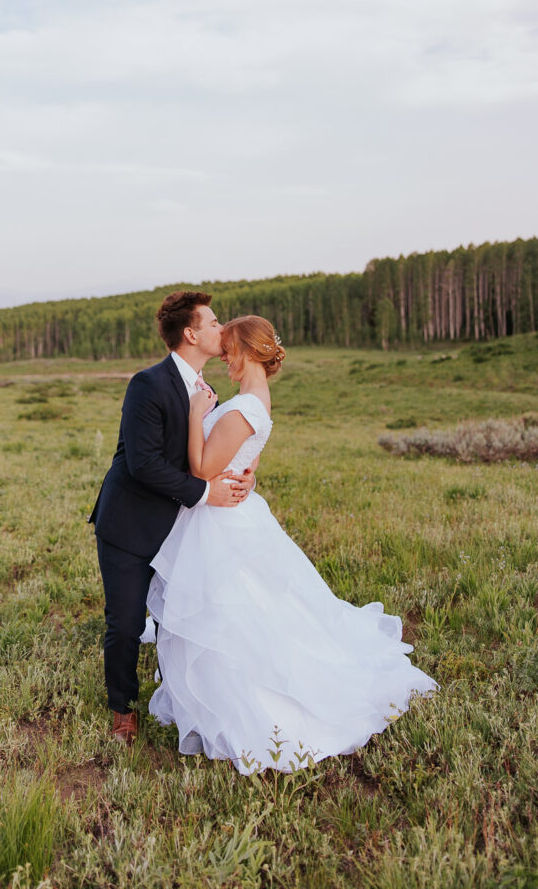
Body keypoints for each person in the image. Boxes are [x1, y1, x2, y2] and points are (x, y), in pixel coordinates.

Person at [146, 315, 437, 773]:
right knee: (244, 608)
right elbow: (248, 457)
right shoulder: (257, 401)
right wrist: (247, 470)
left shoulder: (243, 406)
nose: (224, 357)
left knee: (232, 612)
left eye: (229, 351)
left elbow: (202, 469)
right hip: (232, 512)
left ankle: (243, 705)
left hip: (220, 520)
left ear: (246, 351)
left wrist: (196, 413)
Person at [89, 291, 256, 745]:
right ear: (191, 333)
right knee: (125, 623)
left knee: (177, 620)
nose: (222, 329)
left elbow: (203, 457)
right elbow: (143, 464)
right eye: (214, 321)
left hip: (181, 529)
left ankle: (180, 699)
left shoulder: (206, 391)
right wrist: (207, 493)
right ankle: (123, 709)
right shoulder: (147, 384)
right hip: (130, 524)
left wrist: (240, 480)